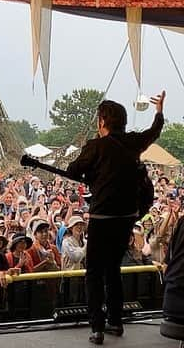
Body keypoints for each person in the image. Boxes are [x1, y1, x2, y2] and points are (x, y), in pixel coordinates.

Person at [66, 91, 165, 344]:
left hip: (102, 217)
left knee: (94, 272)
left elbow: (73, 170)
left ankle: (97, 327)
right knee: (113, 269)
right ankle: (116, 322)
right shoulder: (133, 143)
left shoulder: (96, 146)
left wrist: (94, 173)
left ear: (102, 122)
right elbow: (154, 131)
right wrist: (159, 111)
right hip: (126, 219)